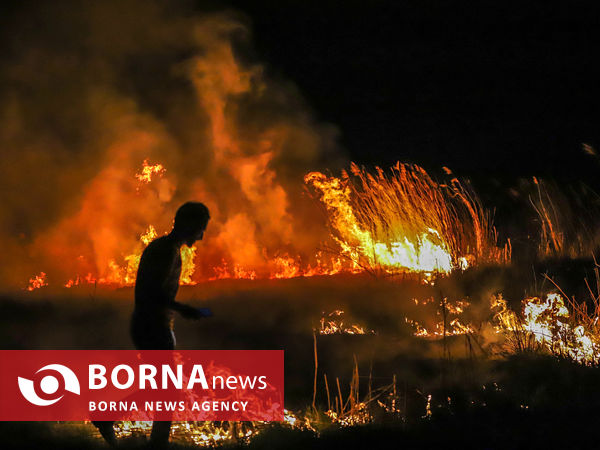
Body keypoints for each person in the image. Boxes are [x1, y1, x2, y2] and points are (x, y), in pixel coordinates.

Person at [94, 202, 212, 447]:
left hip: (155, 326)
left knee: (163, 389)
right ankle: (152, 441)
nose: (202, 235)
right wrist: (184, 309)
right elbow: (152, 293)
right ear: (189, 225)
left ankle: (112, 419)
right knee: (167, 391)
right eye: (201, 228)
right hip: (152, 327)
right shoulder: (165, 251)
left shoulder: (167, 248)